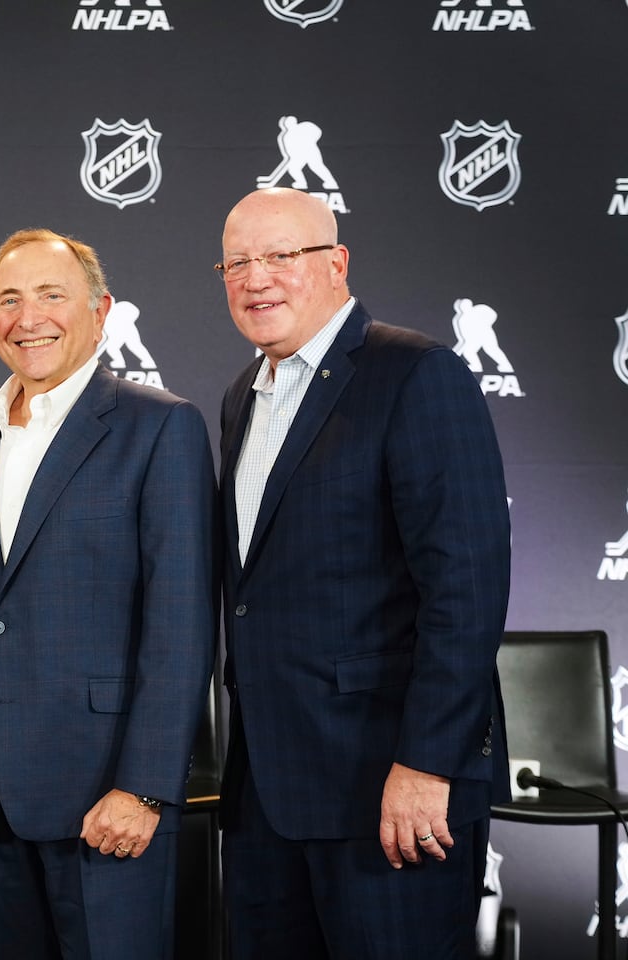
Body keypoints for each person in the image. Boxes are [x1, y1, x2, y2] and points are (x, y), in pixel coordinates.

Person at [0, 228, 216, 958]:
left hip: (105, 796)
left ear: (100, 311)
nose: (30, 317)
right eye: (9, 300)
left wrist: (144, 789)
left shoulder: (159, 426)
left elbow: (179, 623)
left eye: (53, 296)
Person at [214, 188, 511, 959]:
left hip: (389, 793)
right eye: (238, 262)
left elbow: (467, 589)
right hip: (267, 799)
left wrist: (426, 764)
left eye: (282, 256)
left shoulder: (415, 375)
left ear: (337, 263)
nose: (257, 278)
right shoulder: (241, 397)